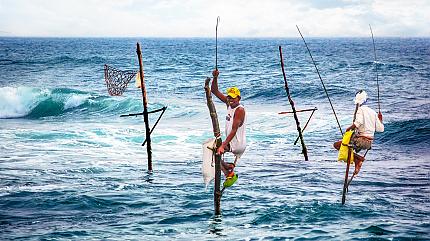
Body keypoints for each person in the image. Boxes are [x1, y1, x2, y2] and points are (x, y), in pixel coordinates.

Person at [334, 90, 384, 175]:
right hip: (369, 143)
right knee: (346, 147)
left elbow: (359, 122)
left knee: (337, 145)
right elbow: (381, 129)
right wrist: (380, 120)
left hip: (361, 141)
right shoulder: (373, 112)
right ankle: (357, 161)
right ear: (366, 100)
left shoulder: (360, 110)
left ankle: (359, 159)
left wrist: (348, 128)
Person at [211, 69, 246, 179]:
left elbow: (234, 130)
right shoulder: (229, 104)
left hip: (237, 144)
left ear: (239, 98)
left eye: (233, 97)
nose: (230, 99)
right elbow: (214, 91)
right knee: (213, 150)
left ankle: (228, 173)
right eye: (229, 97)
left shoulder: (239, 110)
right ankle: (228, 167)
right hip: (232, 141)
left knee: (214, 152)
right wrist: (215, 77)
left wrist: (223, 145)